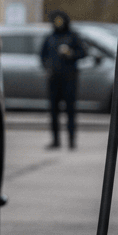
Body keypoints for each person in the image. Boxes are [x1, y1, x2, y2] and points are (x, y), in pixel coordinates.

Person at [40, 10, 87, 149]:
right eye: (56, 21)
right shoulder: (50, 38)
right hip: (54, 79)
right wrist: (46, 67)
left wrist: (71, 53)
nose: (58, 24)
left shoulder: (73, 37)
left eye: (61, 21)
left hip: (70, 78)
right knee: (54, 111)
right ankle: (55, 141)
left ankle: (72, 141)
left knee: (70, 111)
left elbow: (83, 52)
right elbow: (42, 56)